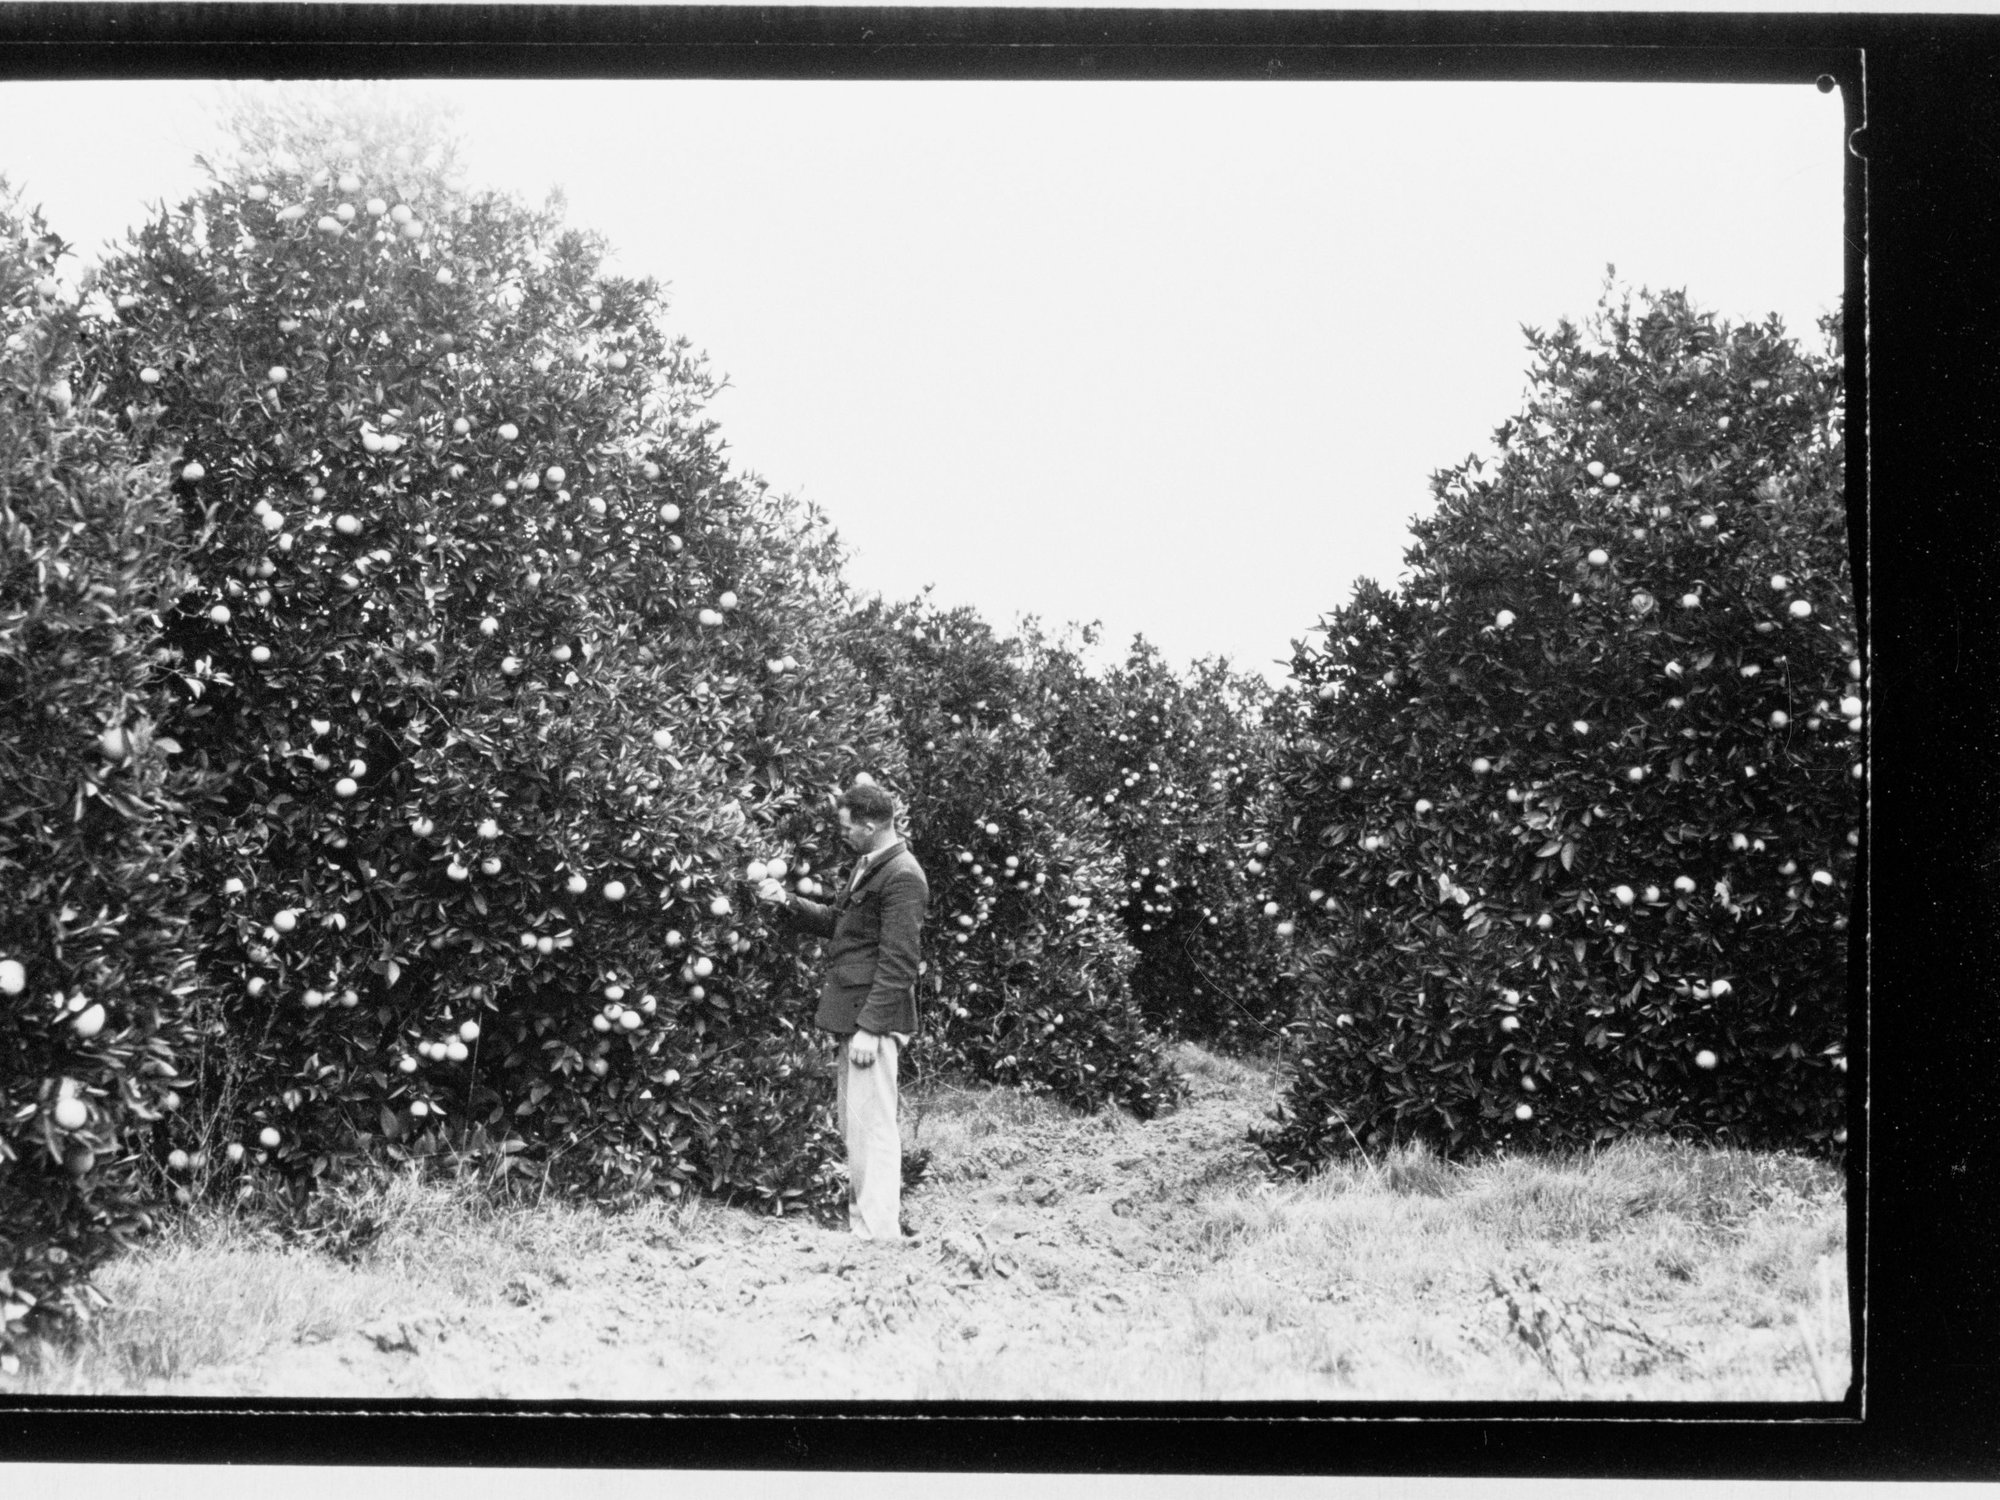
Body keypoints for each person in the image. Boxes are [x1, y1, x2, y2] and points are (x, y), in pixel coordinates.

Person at [756, 781, 927, 1244]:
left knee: (873, 1128)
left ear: (871, 826)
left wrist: (872, 1028)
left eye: (849, 828)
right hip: (854, 1013)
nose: (844, 835)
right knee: (857, 1126)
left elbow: (899, 962)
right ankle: (866, 1228)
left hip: (871, 1018)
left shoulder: (903, 875)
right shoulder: (870, 865)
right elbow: (839, 923)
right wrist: (787, 902)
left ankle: (879, 1234)